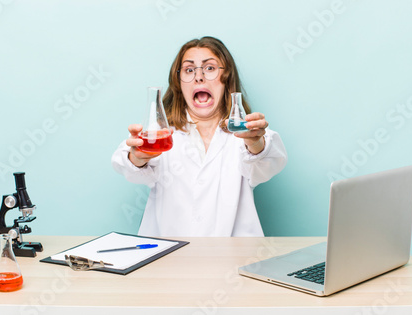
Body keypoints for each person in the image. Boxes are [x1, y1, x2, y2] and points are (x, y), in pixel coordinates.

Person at [112, 36, 287, 237]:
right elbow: (125, 164)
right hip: (168, 258)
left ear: (227, 78)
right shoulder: (161, 133)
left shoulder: (244, 135)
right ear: (179, 83)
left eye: (210, 68)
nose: (199, 77)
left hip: (233, 259)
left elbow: (269, 163)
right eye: (189, 70)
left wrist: (254, 142)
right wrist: (137, 158)